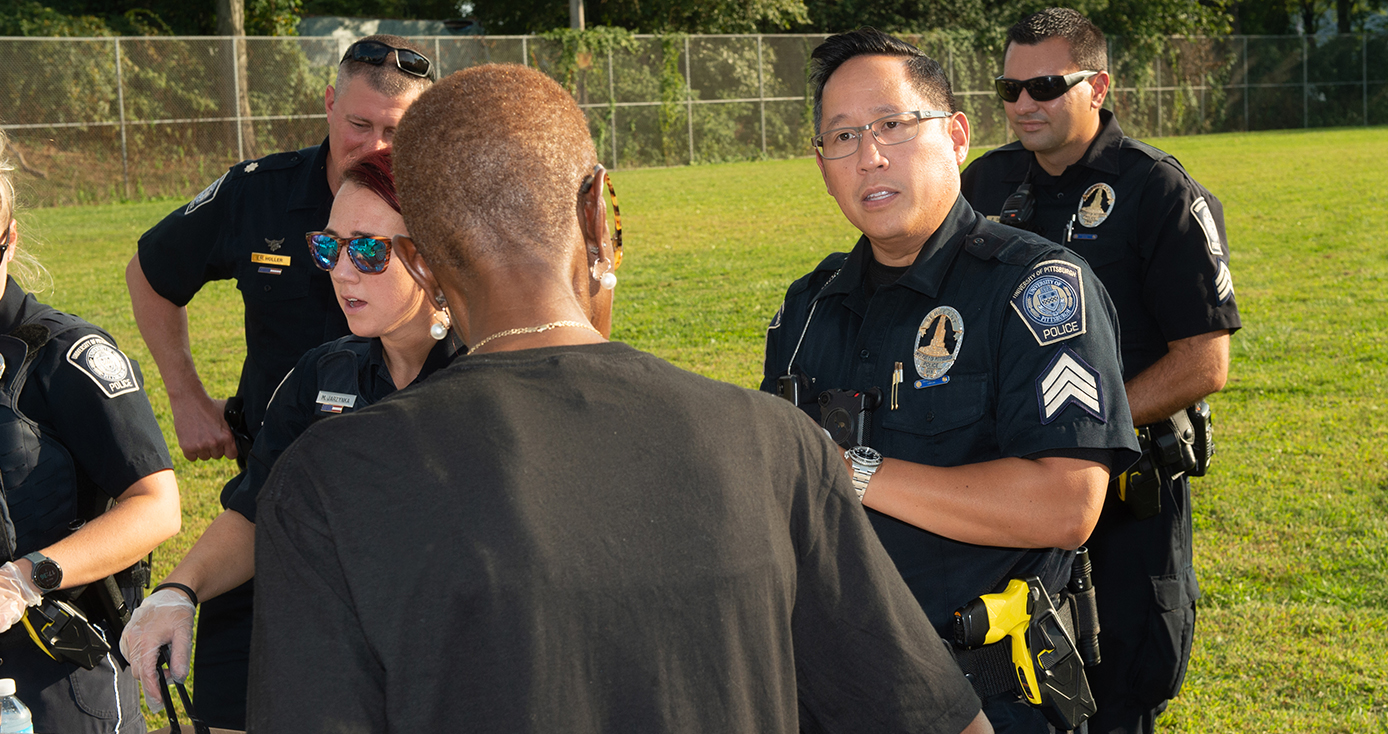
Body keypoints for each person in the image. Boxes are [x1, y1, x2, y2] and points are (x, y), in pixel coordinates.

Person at [247, 63, 992, 734]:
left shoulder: (331, 483)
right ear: (599, 210)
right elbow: (933, 718)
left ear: (421, 258)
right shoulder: (775, 445)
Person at [760, 28, 1141, 732]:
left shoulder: (1037, 291)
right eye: (840, 137)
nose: (868, 154)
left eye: (893, 125)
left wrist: (850, 471)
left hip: (984, 703)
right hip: (823, 702)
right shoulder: (806, 310)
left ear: (958, 135)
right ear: (821, 164)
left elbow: (1068, 503)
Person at [123, 35, 434, 728]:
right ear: (329, 106)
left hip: (405, 555)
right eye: (359, 125)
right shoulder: (259, 196)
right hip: (278, 487)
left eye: (396, 130)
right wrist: (187, 399)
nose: (375, 144)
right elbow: (150, 272)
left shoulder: (456, 258)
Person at [958, 9, 1240, 734]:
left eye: (1046, 85)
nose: (1024, 105)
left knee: (1118, 694)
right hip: (1005, 495)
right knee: (1008, 685)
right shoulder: (980, 187)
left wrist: (1081, 432)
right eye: (1009, 89)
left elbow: (1203, 362)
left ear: (1098, 85)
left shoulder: (1158, 192)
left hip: (1122, 501)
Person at [0, 131, 182, 733]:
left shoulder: (67, 356)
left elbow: (156, 507)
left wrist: (25, 577)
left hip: (54, 672)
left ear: (10, 240)